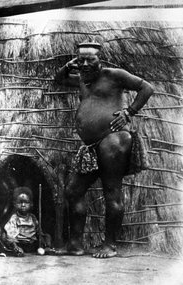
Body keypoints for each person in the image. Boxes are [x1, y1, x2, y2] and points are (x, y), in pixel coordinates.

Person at [54, 41, 154, 258]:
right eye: (82, 60)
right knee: (73, 190)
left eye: (91, 59)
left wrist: (129, 112)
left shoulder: (114, 75)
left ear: (101, 59)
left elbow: (147, 88)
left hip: (114, 140)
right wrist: (68, 67)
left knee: (112, 192)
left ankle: (109, 246)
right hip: (91, 146)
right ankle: (75, 245)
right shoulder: (82, 79)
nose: (86, 64)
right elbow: (58, 80)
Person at [3, 187, 52, 256]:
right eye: (20, 202)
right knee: (5, 237)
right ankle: (16, 249)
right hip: (20, 243)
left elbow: (39, 232)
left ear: (31, 204)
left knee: (47, 236)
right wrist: (14, 244)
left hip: (32, 244)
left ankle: (47, 248)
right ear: (15, 204)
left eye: (26, 202)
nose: (23, 205)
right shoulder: (14, 218)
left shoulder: (33, 218)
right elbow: (10, 234)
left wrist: (42, 238)